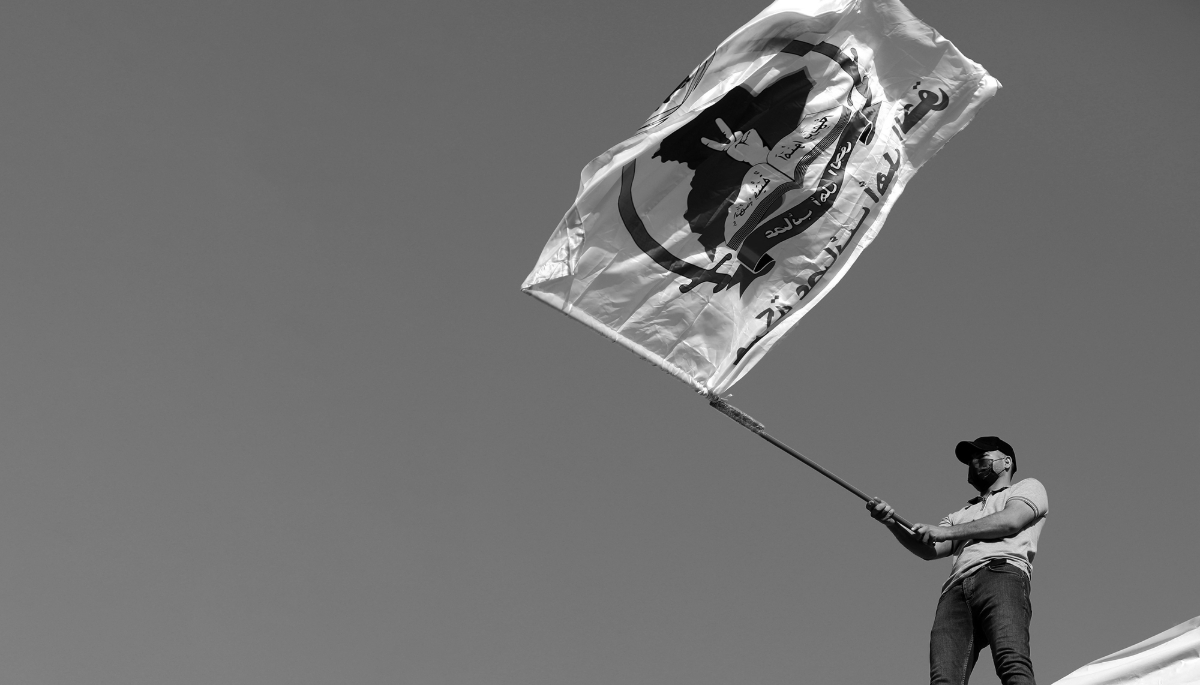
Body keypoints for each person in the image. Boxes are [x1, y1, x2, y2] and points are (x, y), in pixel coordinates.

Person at [867, 436, 1048, 685]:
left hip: (1001, 575)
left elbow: (1011, 521)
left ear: (1006, 462)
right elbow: (930, 550)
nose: (974, 464)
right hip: (954, 593)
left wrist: (947, 532)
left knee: (1011, 661)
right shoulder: (959, 515)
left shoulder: (1027, 487)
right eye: (970, 460)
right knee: (943, 680)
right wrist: (892, 523)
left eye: (982, 458)